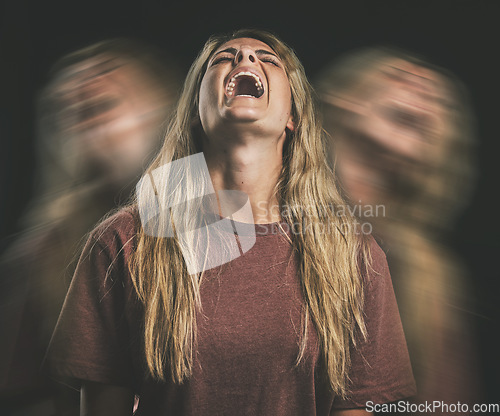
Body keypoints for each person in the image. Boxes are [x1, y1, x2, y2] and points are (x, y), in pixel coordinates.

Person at [44, 29, 416, 416]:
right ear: (195, 111)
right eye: (223, 58)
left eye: (268, 59)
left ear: (292, 117)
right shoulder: (124, 240)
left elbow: (354, 408)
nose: (246, 59)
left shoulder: (353, 253)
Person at [0, 38, 181, 415]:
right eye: (70, 105)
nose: (85, 79)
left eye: (107, 72)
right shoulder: (43, 255)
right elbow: (26, 396)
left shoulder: (230, 222)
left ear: (164, 108)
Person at [315, 47, 481, 412]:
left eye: (439, 100)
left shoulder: (430, 284)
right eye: (396, 77)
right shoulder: (254, 215)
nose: (421, 89)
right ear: (342, 99)